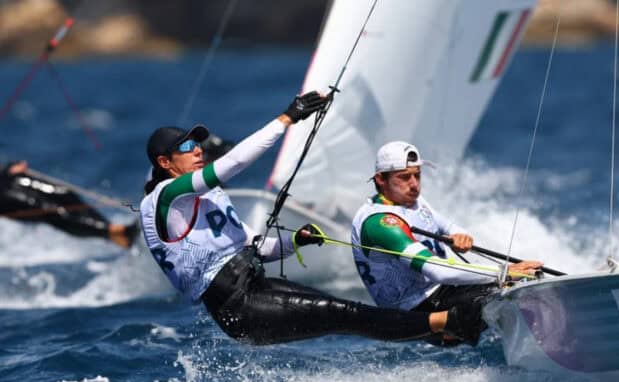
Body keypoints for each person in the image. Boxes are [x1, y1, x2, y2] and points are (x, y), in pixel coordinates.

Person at [140, 91, 482, 346]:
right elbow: (233, 163)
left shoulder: (204, 199)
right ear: (165, 163)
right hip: (238, 308)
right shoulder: (168, 197)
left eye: (198, 145)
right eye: (187, 148)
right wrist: (288, 118)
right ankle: (449, 322)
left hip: (254, 289)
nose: (198, 150)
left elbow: (258, 248)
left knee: (344, 311)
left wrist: (295, 241)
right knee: (344, 315)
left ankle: (444, 329)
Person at [351, 141, 543, 346]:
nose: (414, 184)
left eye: (417, 175)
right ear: (381, 179)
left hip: (442, 291)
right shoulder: (380, 224)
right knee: (512, 289)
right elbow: (437, 270)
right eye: (405, 177)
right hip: (418, 311)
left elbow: (447, 225)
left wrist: (459, 235)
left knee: (526, 284)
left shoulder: (410, 200)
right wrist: (504, 271)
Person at [0, 160, 137, 248]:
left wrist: (8, 168)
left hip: (5, 177)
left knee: (62, 192)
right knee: (51, 210)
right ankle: (115, 232)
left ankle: (115, 232)